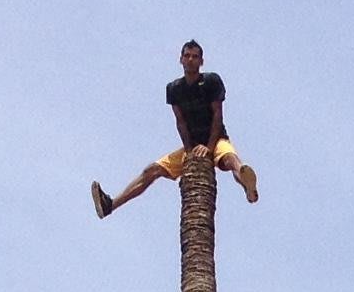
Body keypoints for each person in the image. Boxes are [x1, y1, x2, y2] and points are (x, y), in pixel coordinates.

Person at [92, 41, 262, 217]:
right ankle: (110, 205)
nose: (190, 60)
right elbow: (180, 122)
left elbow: (218, 116)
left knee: (230, 159)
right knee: (152, 170)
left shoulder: (211, 81)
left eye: (195, 57)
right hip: (193, 145)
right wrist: (189, 151)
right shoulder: (174, 89)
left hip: (216, 140)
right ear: (180, 59)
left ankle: (247, 185)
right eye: (187, 56)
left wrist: (210, 148)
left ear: (201, 61)